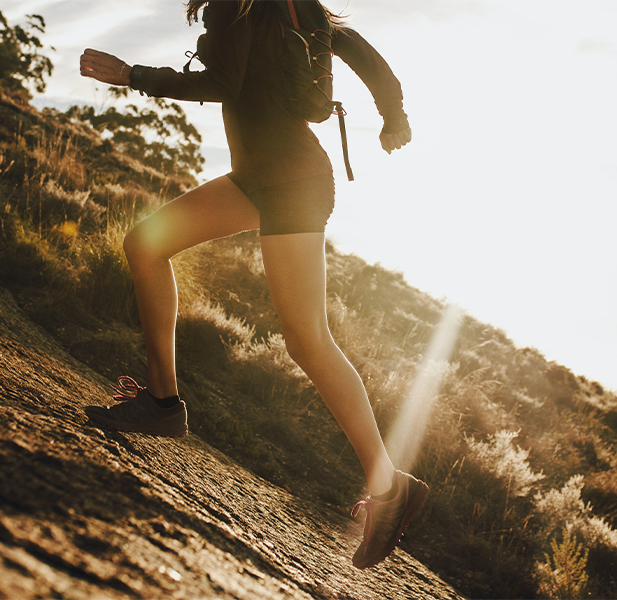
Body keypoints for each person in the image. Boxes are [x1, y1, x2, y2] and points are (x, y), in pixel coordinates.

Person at [79, 0, 428, 570]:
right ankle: (163, 404)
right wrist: (394, 117)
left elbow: (223, 82)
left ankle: (390, 487)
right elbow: (364, 52)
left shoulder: (241, 7)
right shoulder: (290, 9)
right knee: (145, 244)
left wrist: (132, 75)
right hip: (262, 176)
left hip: (289, 180)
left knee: (307, 340)